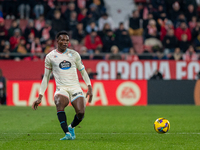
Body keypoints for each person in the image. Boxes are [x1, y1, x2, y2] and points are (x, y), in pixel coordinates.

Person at [32, 31, 93, 140]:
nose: (65, 42)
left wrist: (89, 86)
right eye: (63, 40)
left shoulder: (74, 54)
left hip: (75, 87)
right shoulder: (50, 57)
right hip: (61, 88)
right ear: (57, 41)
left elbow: (83, 71)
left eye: (67, 40)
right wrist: (40, 96)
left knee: (81, 113)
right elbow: (46, 77)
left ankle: (71, 127)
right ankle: (67, 133)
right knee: (59, 103)